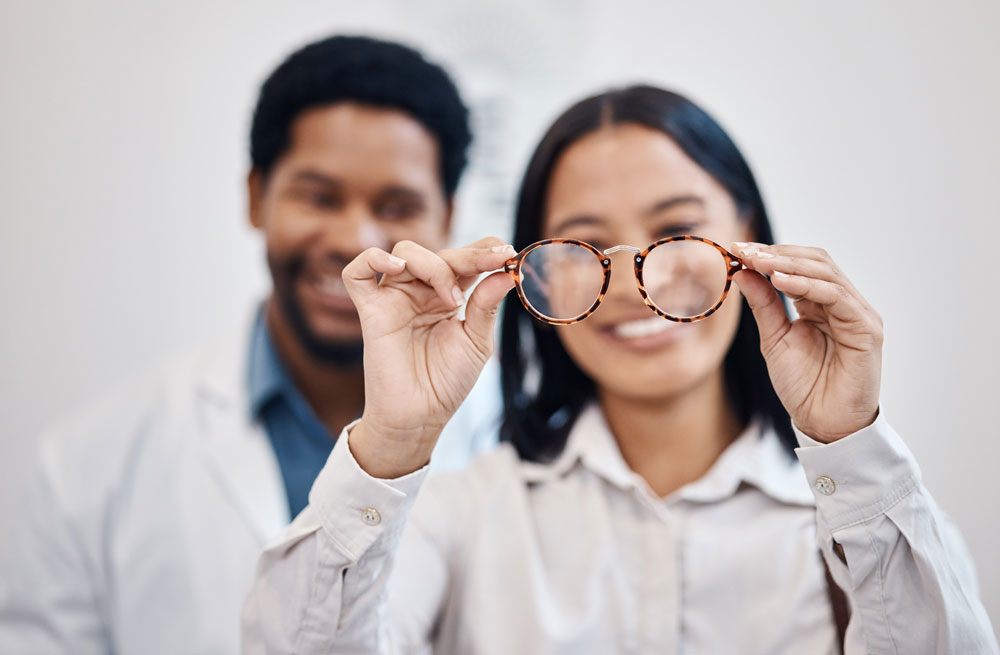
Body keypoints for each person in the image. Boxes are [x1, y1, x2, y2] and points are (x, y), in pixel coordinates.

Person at [242, 85, 998, 654]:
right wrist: (392, 439)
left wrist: (849, 441)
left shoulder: (855, 520)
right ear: (532, 277)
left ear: (749, 240)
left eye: (676, 231)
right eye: (584, 243)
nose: (636, 283)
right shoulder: (465, 516)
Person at [0, 35, 499, 654]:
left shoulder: (517, 447)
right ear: (256, 197)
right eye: (319, 197)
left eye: (396, 204)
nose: (356, 239)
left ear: (447, 217)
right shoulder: (88, 468)